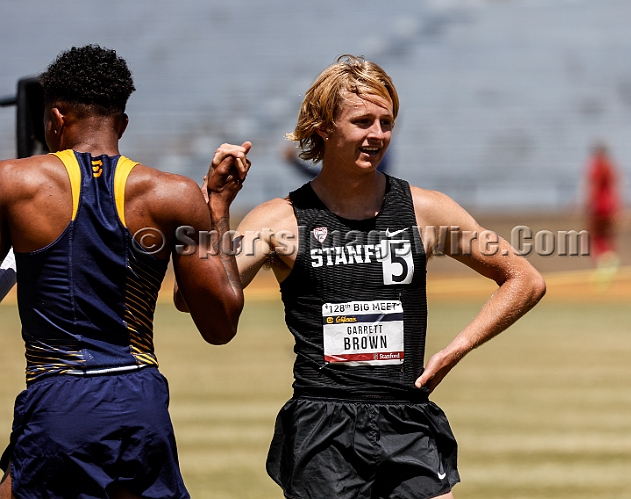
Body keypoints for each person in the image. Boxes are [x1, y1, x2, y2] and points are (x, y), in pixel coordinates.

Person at [221, 55, 546, 499]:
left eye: (386, 122)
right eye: (362, 121)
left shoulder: (427, 211)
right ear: (323, 127)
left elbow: (524, 279)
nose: (377, 135)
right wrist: (216, 206)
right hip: (322, 426)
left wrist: (456, 349)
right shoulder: (278, 220)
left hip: (407, 417)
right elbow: (196, 296)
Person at [0, 45, 249, 499]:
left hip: (58, 399)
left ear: (55, 119)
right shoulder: (174, 194)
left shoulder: (13, 183)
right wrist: (217, 208)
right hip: (140, 402)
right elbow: (221, 323)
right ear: (123, 123)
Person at [584, 141, 621, 286]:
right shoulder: (610, 167)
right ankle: (609, 262)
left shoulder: (598, 167)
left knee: (595, 237)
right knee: (607, 237)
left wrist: (586, 206)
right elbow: (615, 189)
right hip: (609, 206)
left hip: (599, 207)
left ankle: (605, 266)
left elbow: (595, 187)